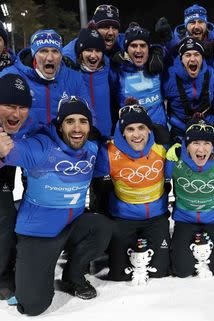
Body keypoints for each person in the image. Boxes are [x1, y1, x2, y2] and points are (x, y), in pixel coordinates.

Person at [0, 96, 112, 316]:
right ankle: (21, 263)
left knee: (102, 226)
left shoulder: (92, 148)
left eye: (83, 121)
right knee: (33, 306)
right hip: (39, 232)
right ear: (60, 125)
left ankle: (73, 275)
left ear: (90, 126)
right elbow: (14, 152)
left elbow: (103, 168)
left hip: (72, 224)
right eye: (70, 121)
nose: (77, 128)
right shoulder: (41, 147)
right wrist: (3, 151)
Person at [94, 99, 170, 281]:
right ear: (122, 132)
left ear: (149, 129)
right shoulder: (109, 153)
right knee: (119, 274)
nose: (136, 135)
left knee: (159, 272)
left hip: (156, 217)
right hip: (124, 218)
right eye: (130, 129)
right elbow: (93, 181)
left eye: (141, 127)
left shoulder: (161, 147)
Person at [166, 118, 214, 277]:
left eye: (207, 143)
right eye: (195, 143)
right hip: (186, 218)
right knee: (181, 270)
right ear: (186, 145)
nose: (201, 149)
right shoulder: (174, 160)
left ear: (213, 145)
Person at [0, 29, 90, 126]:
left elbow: (88, 115)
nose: (50, 58)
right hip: (23, 140)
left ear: (61, 55)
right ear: (34, 54)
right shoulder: (8, 76)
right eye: (43, 51)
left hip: (62, 140)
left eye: (55, 51)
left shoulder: (74, 78)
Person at [0, 74, 34, 301]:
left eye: (23, 107)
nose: (16, 113)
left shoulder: (24, 124)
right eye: (10, 106)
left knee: (7, 215)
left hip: (5, 180)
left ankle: (4, 271)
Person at [110, 22, 167, 127]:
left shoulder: (158, 64)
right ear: (126, 49)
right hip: (131, 130)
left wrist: (158, 50)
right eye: (133, 46)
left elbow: (177, 54)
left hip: (159, 129)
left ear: (148, 48)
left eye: (143, 45)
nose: (138, 50)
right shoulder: (117, 69)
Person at [164, 36, 214, 139]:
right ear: (181, 59)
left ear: (202, 58)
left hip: (207, 126)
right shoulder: (168, 77)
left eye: (197, 55)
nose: (192, 59)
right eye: (187, 55)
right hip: (180, 129)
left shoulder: (213, 75)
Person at [63, 25, 112, 139]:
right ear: (80, 52)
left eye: (98, 51)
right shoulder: (70, 71)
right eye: (88, 50)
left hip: (105, 134)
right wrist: (84, 33)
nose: (93, 55)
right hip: (80, 135)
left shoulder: (108, 67)